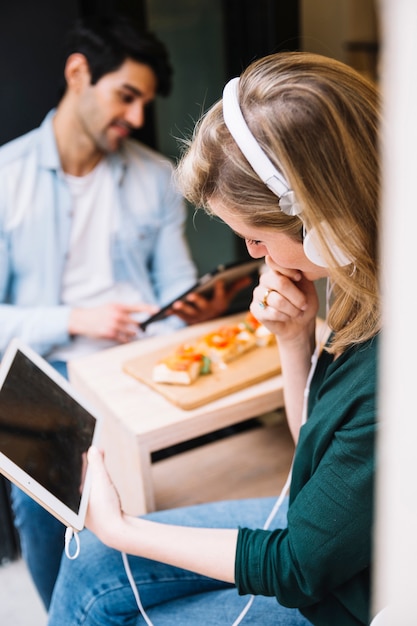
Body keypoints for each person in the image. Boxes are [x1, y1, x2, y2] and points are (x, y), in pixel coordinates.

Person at [47, 50, 380, 626]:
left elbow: (298, 568)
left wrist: (124, 529)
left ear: (325, 225)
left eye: (255, 238)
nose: (253, 256)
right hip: (332, 535)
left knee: (103, 597)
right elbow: (318, 449)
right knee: (91, 565)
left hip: (342, 593)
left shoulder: (394, 370)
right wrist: (293, 339)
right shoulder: (362, 278)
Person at [0, 15, 248, 609]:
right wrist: (74, 319)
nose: (137, 118)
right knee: (42, 491)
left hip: (137, 362)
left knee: (195, 469)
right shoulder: (6, 177)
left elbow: (177, 289)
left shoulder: (155, 177)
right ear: (78, 74)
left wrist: (191, 310)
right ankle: (67, 612)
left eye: (143, 103)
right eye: (126, 96)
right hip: (44, 371)